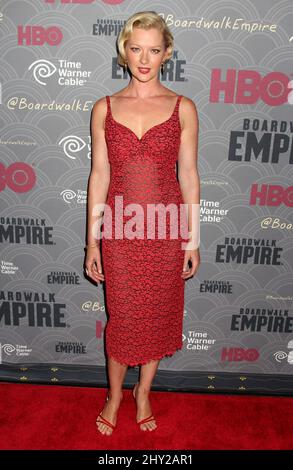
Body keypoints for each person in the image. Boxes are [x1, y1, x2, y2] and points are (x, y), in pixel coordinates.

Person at [85, 11, 200, 436]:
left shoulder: (183, 107)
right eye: (136, 49)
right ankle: (114, 395)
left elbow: (188, 175)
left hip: (166, 229)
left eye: (154, 49)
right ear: (124, 52)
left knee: (157, 315)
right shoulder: (105, 107)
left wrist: (192, 239)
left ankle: (143, 392)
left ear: (167, 52)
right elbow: (99, 176)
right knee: (124, 318)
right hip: (120, 230)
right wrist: (92, 243)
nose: (145, 58)